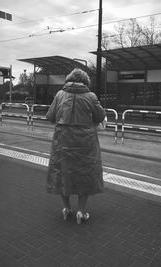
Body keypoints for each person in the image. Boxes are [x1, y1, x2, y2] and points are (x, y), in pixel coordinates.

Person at [46, 68, 105, 224]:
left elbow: (50, 117)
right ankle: (81, 211)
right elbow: (100, 116)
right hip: (85, 143)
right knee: (84, 174)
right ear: (85, 82)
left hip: (62, 142)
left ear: (69, 80)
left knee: (62, 172)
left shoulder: (60, 95)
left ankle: (66, 209)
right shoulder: (91, 96)